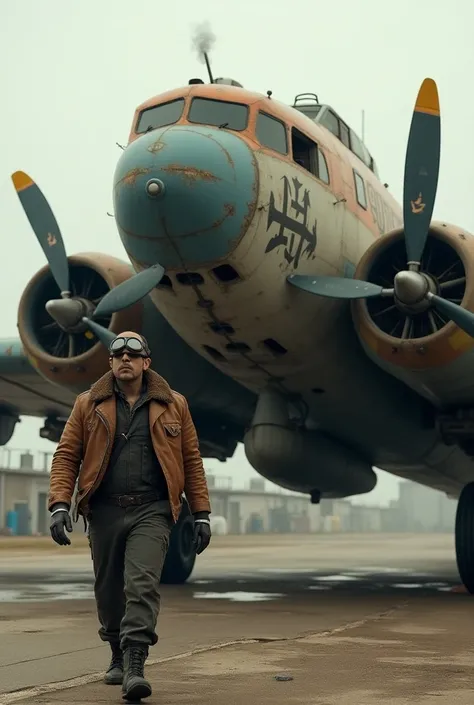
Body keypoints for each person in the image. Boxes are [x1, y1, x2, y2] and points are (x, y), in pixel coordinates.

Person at [47, 331, 212, 702]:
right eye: (117, 353)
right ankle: (116, 654)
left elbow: (191, 460)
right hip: (103, 509)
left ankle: (135, 664)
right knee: (108, 592)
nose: (125, 359)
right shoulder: (87, 403)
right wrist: (59, 503)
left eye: (133, 355)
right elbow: (66, 455)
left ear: (146, 363)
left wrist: (200, 512)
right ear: (110, 362)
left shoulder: (175, 405)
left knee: (142, 585)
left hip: (152, 509)